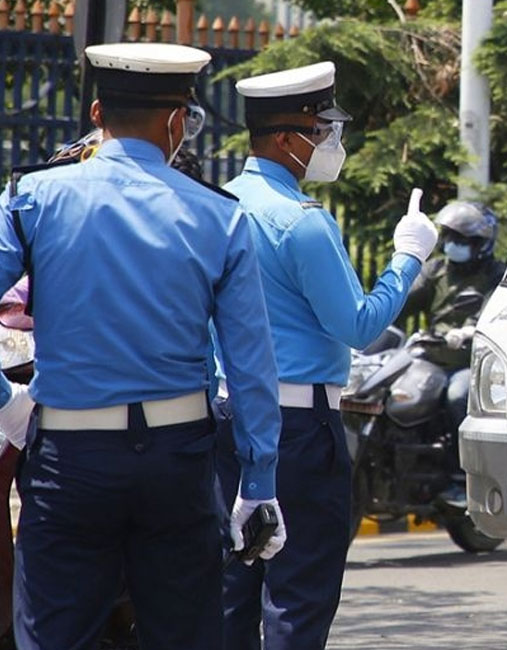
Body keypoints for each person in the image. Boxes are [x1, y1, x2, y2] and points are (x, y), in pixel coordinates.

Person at [0, 43, 285, 650]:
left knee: (55, 634)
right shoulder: (220, 217)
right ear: (180, 122)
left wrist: (6, 402)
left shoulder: (33, 198)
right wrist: (258, 481)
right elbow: (251, 365)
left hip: (67, 457)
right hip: (175, 460)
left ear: (97, 113)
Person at [213, 61, 438, 650]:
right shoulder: (303, 223)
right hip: (297, 425)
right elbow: (358, 325)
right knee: (298, 591)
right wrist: (407, 257)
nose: (331, 144)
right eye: (321, 132)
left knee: (231, 588)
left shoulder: (215, 207)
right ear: (286, 139)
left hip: (223, 416)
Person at [395, 201, 504, 504]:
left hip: (470, 363)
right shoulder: (436, 270)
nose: (453, 244)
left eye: (463, 239)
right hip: (431, 359)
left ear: (480, 244)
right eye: (450, 237)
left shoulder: (496, 273)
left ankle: (462, 478)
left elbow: (491, 310)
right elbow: (401, 303)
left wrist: (468, 330)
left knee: (458, 395)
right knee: (394, 392)